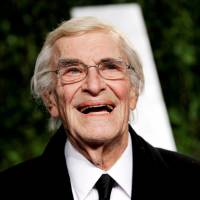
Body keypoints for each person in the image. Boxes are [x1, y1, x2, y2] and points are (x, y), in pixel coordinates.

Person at [0, 16, 200, 200]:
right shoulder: (10, 189)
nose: (94, 86)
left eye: (110, 67)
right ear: (50, 98)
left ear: (133, 93)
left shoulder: (191, 181)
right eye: (73, 71)